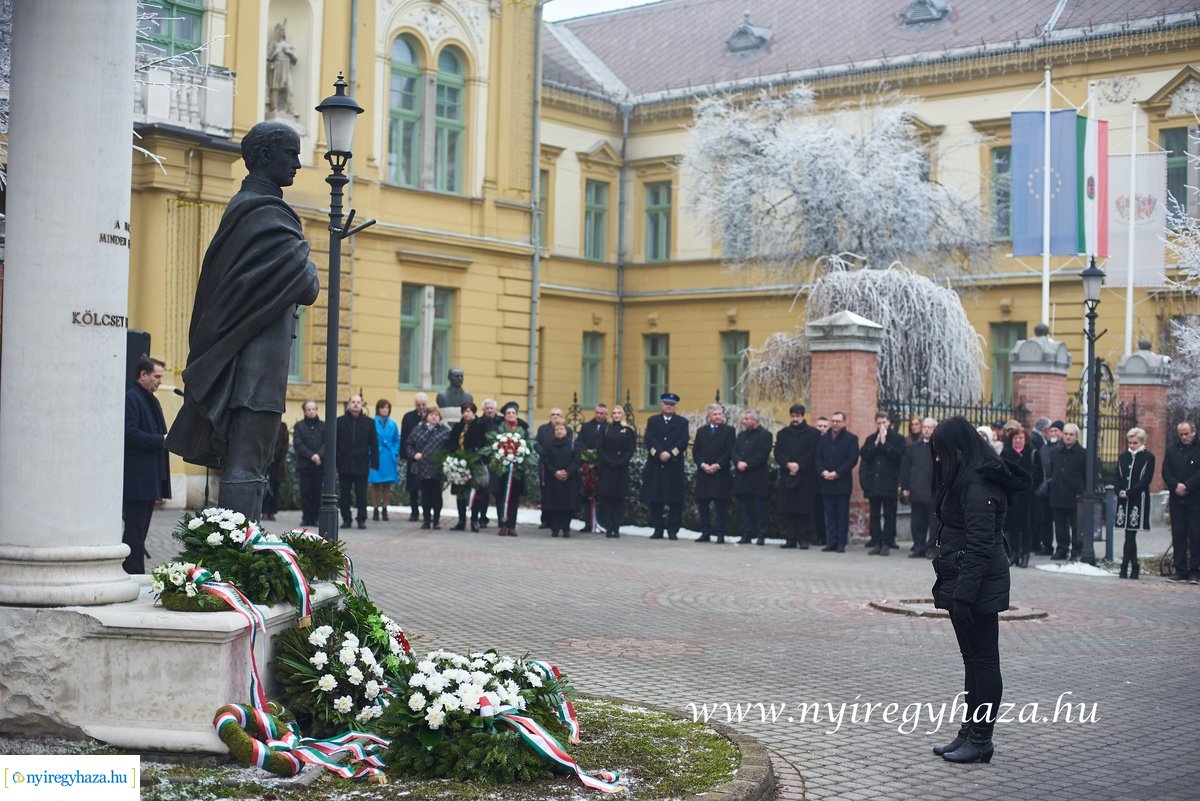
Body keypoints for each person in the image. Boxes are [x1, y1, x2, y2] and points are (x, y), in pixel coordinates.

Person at [167, 121, 320, 521]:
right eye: (291, 153)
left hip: (251, 355)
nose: (299, 164)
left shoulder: (248, 209)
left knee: (251, 458)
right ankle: (240, 557)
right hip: (258, 360)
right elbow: (305, 281)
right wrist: (305, 266)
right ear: (265, 156)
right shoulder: (263, 212)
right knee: (250, 459)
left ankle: (237, 545)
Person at [930, 416, 1030, 765]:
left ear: (958, 448)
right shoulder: (967, 476)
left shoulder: (978, 483)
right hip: (965, 580)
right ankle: (968, 733)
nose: (938, 460)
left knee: (984, 662)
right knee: (972, 661)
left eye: (941, 452)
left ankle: (981, 739)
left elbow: (980, 545)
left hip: (977, 583)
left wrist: (964, 596)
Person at [123, 358, 171, 574]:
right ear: (143, 375)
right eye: (157, 376)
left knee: (141, 532)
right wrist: (161, 440)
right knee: (134, 532)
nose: (159, 381)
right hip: (137, 478)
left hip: (150, 477)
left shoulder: (151, 399)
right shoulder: (132, 398)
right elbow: (130, 434)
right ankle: (133, 574)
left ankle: (134, 572)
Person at [641, 393, 690, 540]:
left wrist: (670, 453)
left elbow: (683, 441)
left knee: (674, 501)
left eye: (671, 404)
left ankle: (673, 530)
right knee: (656, 500)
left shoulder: (682, 422)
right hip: (656, 465)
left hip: (673, 465)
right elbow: (649, 439)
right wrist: (659, 453)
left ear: (675, 406)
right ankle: (658, 529)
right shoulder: (653, 420)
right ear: (662, 405)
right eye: (666, 404)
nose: (668, 406)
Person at [774, 403, 820, 549]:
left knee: (804, 510)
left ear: (803, 416)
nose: (795, 419)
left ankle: (804, 538)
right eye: (793, 416)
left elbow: (813, 452)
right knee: (788, 509)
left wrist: (799, 465)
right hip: (787, 476)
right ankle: (790, 538)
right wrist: (788, 464)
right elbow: (778, 452)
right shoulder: (783, 433)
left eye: (798, 416)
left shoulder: (813, 433)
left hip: (805, 477)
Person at [859, 411, 905, 555]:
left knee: (889, 514)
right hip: (874, 482)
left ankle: (887, 542)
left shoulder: (898, 439)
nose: (881, 426)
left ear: (889, 423)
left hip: (889, 482)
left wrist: (885, 444)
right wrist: (876, 443)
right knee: (874, 514)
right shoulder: (871, 438)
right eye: (879, 423)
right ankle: (876, 541)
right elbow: (864, 455)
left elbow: (899, 458)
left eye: (884, 422)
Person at [1115, 427, 1155, 580]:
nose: (1131, 445)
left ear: (1142, 442)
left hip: (1138, 499)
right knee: (1128, 534)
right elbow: (1117, 476)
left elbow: (1145, 480)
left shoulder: (1148, 457)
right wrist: (1120, 491)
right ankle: (1134, 566)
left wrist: (1130, 492)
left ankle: (1125, 566)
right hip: (1123, 499)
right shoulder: (1123, 457)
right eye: (1130, 442)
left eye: (1135, 443)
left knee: (1130, 533)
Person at [1163, 420, 1200, 583]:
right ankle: (1180, 570)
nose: (1184, 437)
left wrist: (1188, 486)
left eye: (1187, 433)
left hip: (1195, 498)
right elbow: (1166, 470)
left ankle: (1195, 571)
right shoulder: (1172, 449)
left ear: (1194, 432)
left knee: (1196, 536)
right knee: (1179, 535)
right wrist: (1175, 485)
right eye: (1181, 434)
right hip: (1177, 498)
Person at [693, 403, 735, 543]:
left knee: (720, 505)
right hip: (704, 473)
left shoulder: (729, 431)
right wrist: (703, 464)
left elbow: (730, 451)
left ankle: (721, 533)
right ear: (709, 416)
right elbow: (696, 451)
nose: (718, 417)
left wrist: (717, 465)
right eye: (715, 414)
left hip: (720, 473)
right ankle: (705, 532)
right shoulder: (701, 431)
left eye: (720, 414)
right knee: (703, 504)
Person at [816, 412, 858, 552]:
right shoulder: (823, 438)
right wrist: (823, 472)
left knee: (841, 514)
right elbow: (818, 458)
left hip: (842, 482)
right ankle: (831, 541)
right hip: (826, 481)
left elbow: (852, 460)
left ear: (844, 423)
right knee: (829, 513)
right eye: (833, 421)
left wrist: (837, 473)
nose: (835, 424)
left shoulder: (851, 439)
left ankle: (841, 543)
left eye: (838, 421)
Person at [732, 410, 773, 545]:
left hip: (757, 478)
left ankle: (761, 535)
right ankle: (746, 534)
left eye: (747, 418)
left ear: (755, 420)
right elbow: (735, 451)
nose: (743, 421)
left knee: (759, 508)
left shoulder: (765, 435)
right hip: (742, 477)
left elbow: (762, 455)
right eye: (744, 418)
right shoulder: (741, 435)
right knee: (744, 508)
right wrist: (738, 461)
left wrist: (747, 464)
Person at [406, 406, 451, 529]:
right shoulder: (418, 429)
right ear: (426, 417)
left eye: (436, 415)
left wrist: (446, 459)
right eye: (431, 414)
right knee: (425, 495)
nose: (434, 417)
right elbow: (409, 445)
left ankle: (436, 520)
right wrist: (414, 455)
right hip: (423, 466)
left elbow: (451, 447)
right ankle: (426, 520)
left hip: (438, 467)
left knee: (437, 495)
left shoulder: (445, 430)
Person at [337, 395, 378, 529]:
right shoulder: (340, 421)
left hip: (361, 463)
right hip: (344, 463)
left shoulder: (369, 422)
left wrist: (374, 463)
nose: (355, 405)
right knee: (344, 494)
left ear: (362, 405)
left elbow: (374, 443)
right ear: (348, 404)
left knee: (361, 494)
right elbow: (334, 443)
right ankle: (346, 519)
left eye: (358, 402)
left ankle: (361, 519)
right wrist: (336, 461)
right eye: (353, 402)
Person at [491, 402, 530, 536]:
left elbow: (527, 445)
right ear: (504, 415)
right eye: (508, 413)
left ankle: (512, 525)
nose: (511, 415)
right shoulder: (498, 428)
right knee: (500, 497)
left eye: (513, 413)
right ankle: (502, 524)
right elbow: (494, 445)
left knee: (514, 497)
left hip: (516, 469)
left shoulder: (523, 428)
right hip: (501, 469)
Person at [596, 405, 636, 538]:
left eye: (619, 413)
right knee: (607, 499)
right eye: (614, 413)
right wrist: (609, 461)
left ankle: (617, 527)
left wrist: (620, 462)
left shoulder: (628, 430)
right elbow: (600, 447)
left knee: (619, 500)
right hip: (607, 468)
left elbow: (630, 450)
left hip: (621, 469)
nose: (616, 415)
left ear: (622, 415)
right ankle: (608, 527)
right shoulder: (605, 429)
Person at [900, 417, 937, 558]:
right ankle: (919, 546)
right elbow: (905, 468)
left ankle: (931, 548)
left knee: (933, 523)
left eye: (930, 427)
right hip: (916, 489)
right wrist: (905, 486)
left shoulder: (938, 448)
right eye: (925, 427)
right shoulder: (913, 447)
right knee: (917, 522)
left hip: (933, 491)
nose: (926, 429)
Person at [1049, 423, 1087, 560]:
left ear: (1076, 437)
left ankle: (1077, 550)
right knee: (1060, 526)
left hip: (1075, 495)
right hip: (1058, 493)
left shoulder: (1083, 454)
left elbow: (1088, 475)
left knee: (1076, 526)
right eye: (1065, 434)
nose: (1068, 437)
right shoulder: (1055, 452)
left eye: (1071, 434)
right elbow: (1051, 471)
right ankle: (1062, 549)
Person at [1000, 427, 1036, 568]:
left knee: (1026, 528)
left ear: (1025, 440)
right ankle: (1014, 553)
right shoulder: (1006, 453)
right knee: (1012, 527)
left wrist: (1029, 488)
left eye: (1021, 438)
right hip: (1012, 496)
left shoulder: (1032, 453)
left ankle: (1025, 554)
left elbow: (1037, 474)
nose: (1018, 440)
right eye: (1015, 438)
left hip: (1028, 498)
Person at [448, 402, 487, 531]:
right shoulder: (458, 426)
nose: (466, 414)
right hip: (460, 463)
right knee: (460, 493)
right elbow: (451, 442)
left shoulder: (480, 426)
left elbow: (483, 443)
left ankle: (474, 520)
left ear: (474, 413)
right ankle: (461, 520)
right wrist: (455, 453)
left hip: (474, 463)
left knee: (475, 493)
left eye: (469, 411)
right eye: (464, 411)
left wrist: (474, 453)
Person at [541, 422, 580, 537]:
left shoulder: (572, 444)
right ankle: (555, 528)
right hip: (553, 479)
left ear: (566, 430)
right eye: (557, 429)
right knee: (554, 505)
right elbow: (546, 461)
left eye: (561, 429)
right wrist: (555, 472)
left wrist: (567, 472)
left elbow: (577, 460)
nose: (559, 431)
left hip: (569, 479)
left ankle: (566, 528)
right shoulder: (549, 445)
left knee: (568, 505)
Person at [536, 408, 572, 529]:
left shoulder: (568, 430)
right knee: (547, 494)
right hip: (547, 465)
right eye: (553, 414)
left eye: (558, 414)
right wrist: (543, 453)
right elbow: (537, 443)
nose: (555, 416)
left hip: (564, 466)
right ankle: (546, 519)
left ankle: (561, 522)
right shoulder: (542, 429)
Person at [576, 403, 609, 532]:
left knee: (600, 496)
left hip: (602, 466)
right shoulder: (586, 426)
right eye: (597, 413)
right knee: (587, 495)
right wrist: (586, 452)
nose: (599, 415)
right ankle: (588, 523)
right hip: (586, 465)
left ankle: (601, 523)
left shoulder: (609, 427)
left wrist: (597, 452)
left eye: (602, 413)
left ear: (606, 414)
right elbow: (579, 442)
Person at [1033, 420, 1063, 555]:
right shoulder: (1044, 448)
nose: (1053, 433)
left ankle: (1062, 546)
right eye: (1051, 431)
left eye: (1056, 431)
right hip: (1045, 490)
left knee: (1060, 521)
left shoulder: (1062, 448)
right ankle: (1047, 545)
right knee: (1045, 519)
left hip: (1057, 489)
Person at [292, 400, 324, 527]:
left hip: (319, 465)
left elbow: (327, 443)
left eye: (313, 409)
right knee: (305, 492)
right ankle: (306, 517)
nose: (311, 411)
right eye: (309, 409)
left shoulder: (323, 426)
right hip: (305, 465)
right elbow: (298, 444)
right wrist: (311, 455)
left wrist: (319, 455)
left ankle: (315, 518)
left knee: (317, 493)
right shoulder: (299, 426)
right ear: (305, 411)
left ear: (316, 410)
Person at [368, 399, 400, 521]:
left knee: (387, 484)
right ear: (378, 409)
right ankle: (375, 508)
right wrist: (370, 452)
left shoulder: (393, 424)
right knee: (375, 484)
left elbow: (397, 440)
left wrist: (395, 451)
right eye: (382, 407)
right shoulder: (372, 422)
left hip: (388, 455)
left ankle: (385, 508)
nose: (385, 410)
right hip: (376, 455)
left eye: (387, 408)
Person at [400, 394, 428, 521]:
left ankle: (427, 511)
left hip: (428, 457)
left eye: (423, 405)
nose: (421, 407)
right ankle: (414, 511)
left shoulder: (431, 416)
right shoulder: (408, 417)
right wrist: (404, 455)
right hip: (413, 456)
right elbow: (405, 437)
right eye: (418, 405)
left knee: (427, 487)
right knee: (413, 487)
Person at [473, 399, 501, 528]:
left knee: (498, 491)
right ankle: (481, 517)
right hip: (482, 460)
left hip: (498, 460)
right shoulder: (478, 422)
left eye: (492, 408)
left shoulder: (501, 422)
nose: (489, 410)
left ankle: (502, 519)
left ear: (496, 409)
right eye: (487, 408)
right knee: (482, 490)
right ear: (483, 409)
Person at [266, 22, 297, 115]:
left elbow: (295, 57)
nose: (282, 32)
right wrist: (276, 52)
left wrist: (289, 52)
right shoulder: (273, 43)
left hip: (286, 67)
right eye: (280, 30)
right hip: (277, 66)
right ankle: (274, 109)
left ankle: (291, 109)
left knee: (289, 89)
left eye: (283, 31)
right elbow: (268, 57)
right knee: (275, 88)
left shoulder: (288, 44)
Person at [262, 420, 288, 521]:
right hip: (265, 463)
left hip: (277, 464)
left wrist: (277, 456)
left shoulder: (282, 426)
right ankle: (263, 511)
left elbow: (284, 445)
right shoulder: (264, 424)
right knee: (264, 489)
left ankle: (272, 512)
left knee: (275, 489)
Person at [813, 416, 830, 546]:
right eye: (820, 426)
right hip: (815, 480)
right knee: (817, 510)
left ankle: (831, 537)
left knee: (830, 510)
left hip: (830, 479)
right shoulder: (813, 440)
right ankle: (820, 536)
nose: (822, 429)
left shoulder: (831, 440)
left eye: (825, 426)